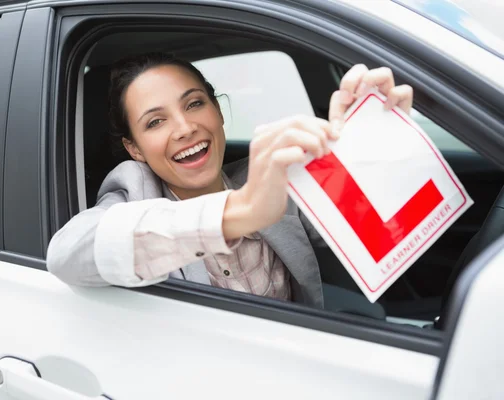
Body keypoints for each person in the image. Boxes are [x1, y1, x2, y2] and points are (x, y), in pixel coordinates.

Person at [46, 52, 413, 308]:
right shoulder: (132, 194)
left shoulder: (267, 177)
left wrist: (366, 138)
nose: (186, 128)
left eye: (193, 104)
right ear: (135, 148)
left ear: (217, 110)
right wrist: (239, 212)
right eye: (156, 122)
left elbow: (375, 230)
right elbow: (65, 255)